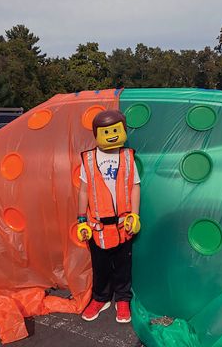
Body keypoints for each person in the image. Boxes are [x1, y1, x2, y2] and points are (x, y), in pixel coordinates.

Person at [77, 109, 141, 323]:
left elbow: (134, 186)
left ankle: (123, 299)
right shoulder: (89, 158)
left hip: (123, 225)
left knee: (123, 265)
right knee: (100, 265)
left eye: (116, 129)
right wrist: (80, 220)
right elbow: (84, 190)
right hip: (97, 228)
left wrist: (135, 215)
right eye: (107, 130)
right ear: (97, 133)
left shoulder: (127, 156)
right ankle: (100, 298)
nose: (112, 134)